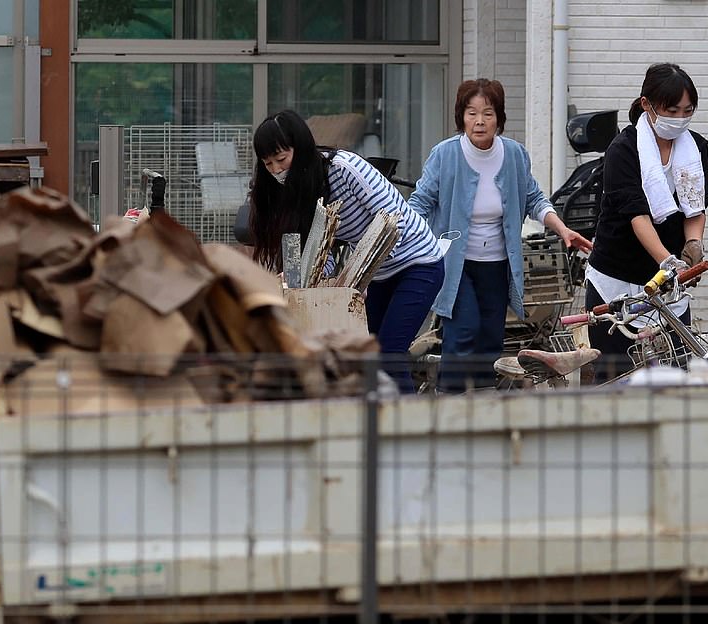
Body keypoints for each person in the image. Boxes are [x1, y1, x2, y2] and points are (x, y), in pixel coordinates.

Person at [408, 78, 593, 392]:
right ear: (461, 117)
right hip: (456, 263)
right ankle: (450, 401)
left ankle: (482, 407)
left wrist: (562, 228)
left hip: (497, 263)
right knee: (464, 329)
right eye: (471, 113)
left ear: (499, 118)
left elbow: (534, 198)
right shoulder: (445, 154)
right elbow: (420, 202)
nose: (479, 121)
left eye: (488, 113)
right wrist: (404, 238)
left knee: (491, 337)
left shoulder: (514, 155)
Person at [248, 109, 445, 394]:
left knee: (389, 354)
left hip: (418, 261)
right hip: (378, 273)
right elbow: (321, 250)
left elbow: (391, 217)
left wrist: (358, 276)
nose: (277, 170)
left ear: (300, 148)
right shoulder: (297, 190)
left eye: (282, 159)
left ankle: (407, 429)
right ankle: (379, 425)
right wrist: (302, 281)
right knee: (368, 354)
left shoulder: (345, 167)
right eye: (268, 164)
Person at [585, 62, 708, 382]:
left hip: (669, 287)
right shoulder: (623, 150)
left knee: (676, 372)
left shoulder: (696, 148)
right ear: (647, 105)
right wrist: (667, 261)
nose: (680, 119)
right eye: (672, 110)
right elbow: (636, 215)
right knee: (616, 377)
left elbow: (695, 208)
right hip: (617, 276)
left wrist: (693, 243)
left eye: (688, 111)